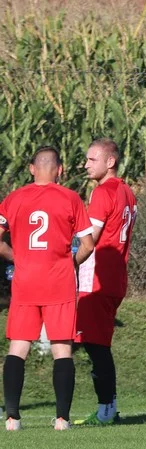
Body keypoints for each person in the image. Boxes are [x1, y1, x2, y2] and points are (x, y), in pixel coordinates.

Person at [1, 147, 95, 431]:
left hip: (25, 281)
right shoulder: (70, 198)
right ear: (60, 170)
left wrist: (17, 257)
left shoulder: (13, 199)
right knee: (62, 349)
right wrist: (72, 263)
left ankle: (12, 418)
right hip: (59, 281)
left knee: (18, 347)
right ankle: (62, 419)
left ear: (31, 169)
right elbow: (88, 244)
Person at [74, 138, 137, 426]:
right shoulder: (127, 191)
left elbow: (91, 239)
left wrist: (68, 262)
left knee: (95, 345)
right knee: (96, 343)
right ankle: (107, 406)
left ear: (109, 162)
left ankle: (107, 409)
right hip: (116, 276)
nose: (86, 164)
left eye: (91, 159)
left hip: (97, 276)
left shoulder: (103, 192)